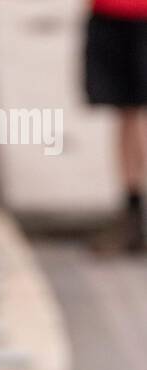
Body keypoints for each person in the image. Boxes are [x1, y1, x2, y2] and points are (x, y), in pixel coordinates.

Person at [84, 0, 147, 252]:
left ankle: (135, 215)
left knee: (134, 114)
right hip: (110, 13)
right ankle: (132, 212)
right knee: (127, 114)